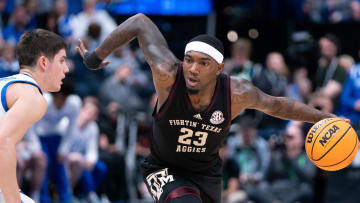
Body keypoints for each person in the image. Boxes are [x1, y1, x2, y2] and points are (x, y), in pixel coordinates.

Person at [76, 13, 338, 203]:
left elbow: (278, 105)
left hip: (206, 174)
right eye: (189, 60)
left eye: (203, 63)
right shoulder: (168, 75)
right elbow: (140, 22)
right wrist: (94, 56)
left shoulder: (237, 92)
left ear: (219, 69)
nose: (192, 68)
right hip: (161, 169)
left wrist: (322, 117)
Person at [0, 29, 69, 203]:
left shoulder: (8, 83)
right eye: (62, 60)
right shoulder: (34, 97)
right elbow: (2, 141)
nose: (66, 69)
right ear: (44, 62)